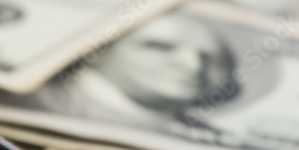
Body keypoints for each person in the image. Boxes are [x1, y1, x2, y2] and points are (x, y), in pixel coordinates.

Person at [40, 13, 239, 135]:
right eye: (160, 47)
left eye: (210, 58)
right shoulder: (39, 104)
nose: (193, 65)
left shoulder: (211, 135)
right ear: (97, 50)